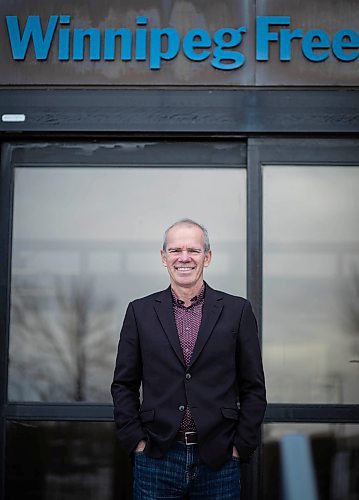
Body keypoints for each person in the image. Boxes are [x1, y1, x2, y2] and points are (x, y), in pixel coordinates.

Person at [111, 219, 266, 499]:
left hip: (219, 461)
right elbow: (123, 385)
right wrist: (136, 442)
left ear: (207, 257)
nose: (184, 258)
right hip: (157, 458)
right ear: (163, 257)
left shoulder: (237, 311)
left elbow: (253, 387)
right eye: (175, 250)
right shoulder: (139, 312)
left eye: (193, 250)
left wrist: (240, 446)